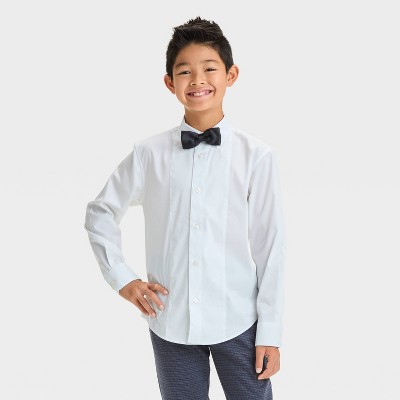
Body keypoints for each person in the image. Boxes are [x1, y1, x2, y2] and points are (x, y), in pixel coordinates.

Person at [84, 16, 287, 400]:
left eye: (209, 69)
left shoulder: (256, 156)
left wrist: (271, 332)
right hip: (170, 322)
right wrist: (123, 278)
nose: (197, 80)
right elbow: (100, 213)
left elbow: (270, 246)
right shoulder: (148, 154)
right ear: (169, 82)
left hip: (238, 320)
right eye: (184, 71)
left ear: (230, 75)